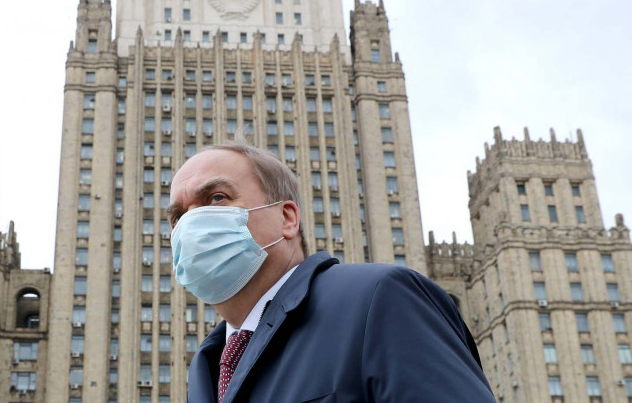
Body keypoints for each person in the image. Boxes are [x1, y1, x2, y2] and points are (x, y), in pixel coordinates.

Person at [166, 139, 496, 403]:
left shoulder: (378, 299)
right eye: (178, 216)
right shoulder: (206, 367)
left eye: (217, 197)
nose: (191, 224)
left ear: (287, 219)